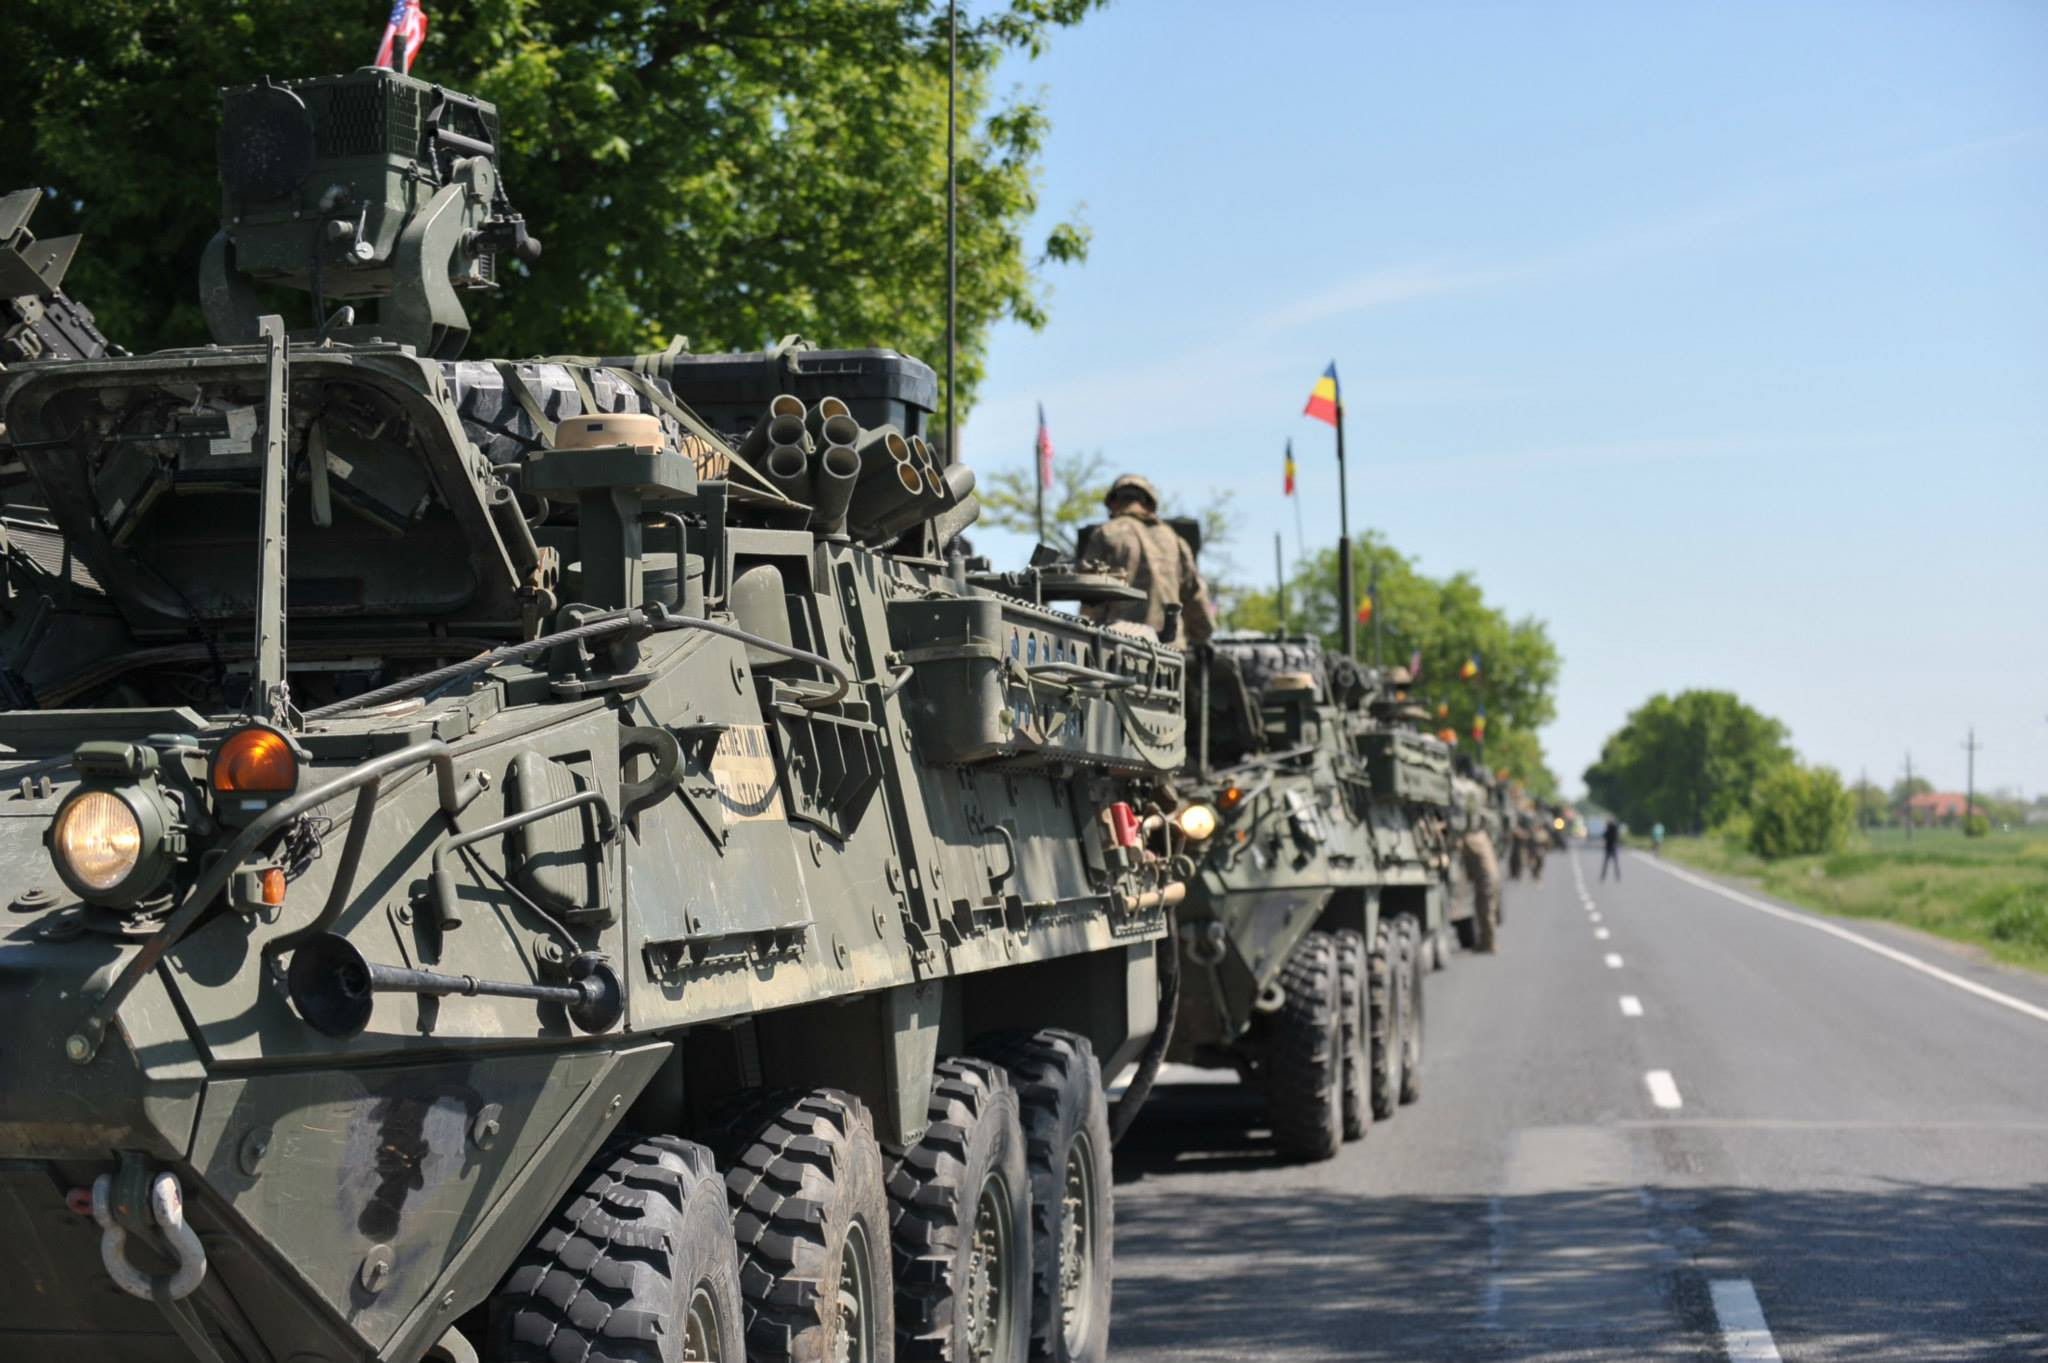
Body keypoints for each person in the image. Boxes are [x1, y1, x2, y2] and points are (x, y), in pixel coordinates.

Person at [1076, 474, 1214, 644]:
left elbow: (1090, 592)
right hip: (1169, 649)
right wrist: (1203, 636)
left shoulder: (1105, 533)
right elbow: (1194, 594)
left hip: (1119, 644)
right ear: (1150, 504)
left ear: (1113, 503)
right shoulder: (1174, 540)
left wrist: (1084, 636)